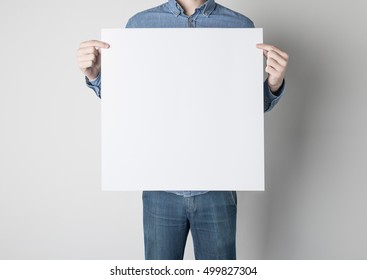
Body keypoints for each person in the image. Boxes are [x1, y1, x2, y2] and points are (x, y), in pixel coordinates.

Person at [77, 0, 288, 260]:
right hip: (160, 186)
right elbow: (127, 105)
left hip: (218, 186)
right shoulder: (139, 26)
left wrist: (273, 85)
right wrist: (96, 76)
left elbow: (245, 113)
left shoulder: (240, 27)